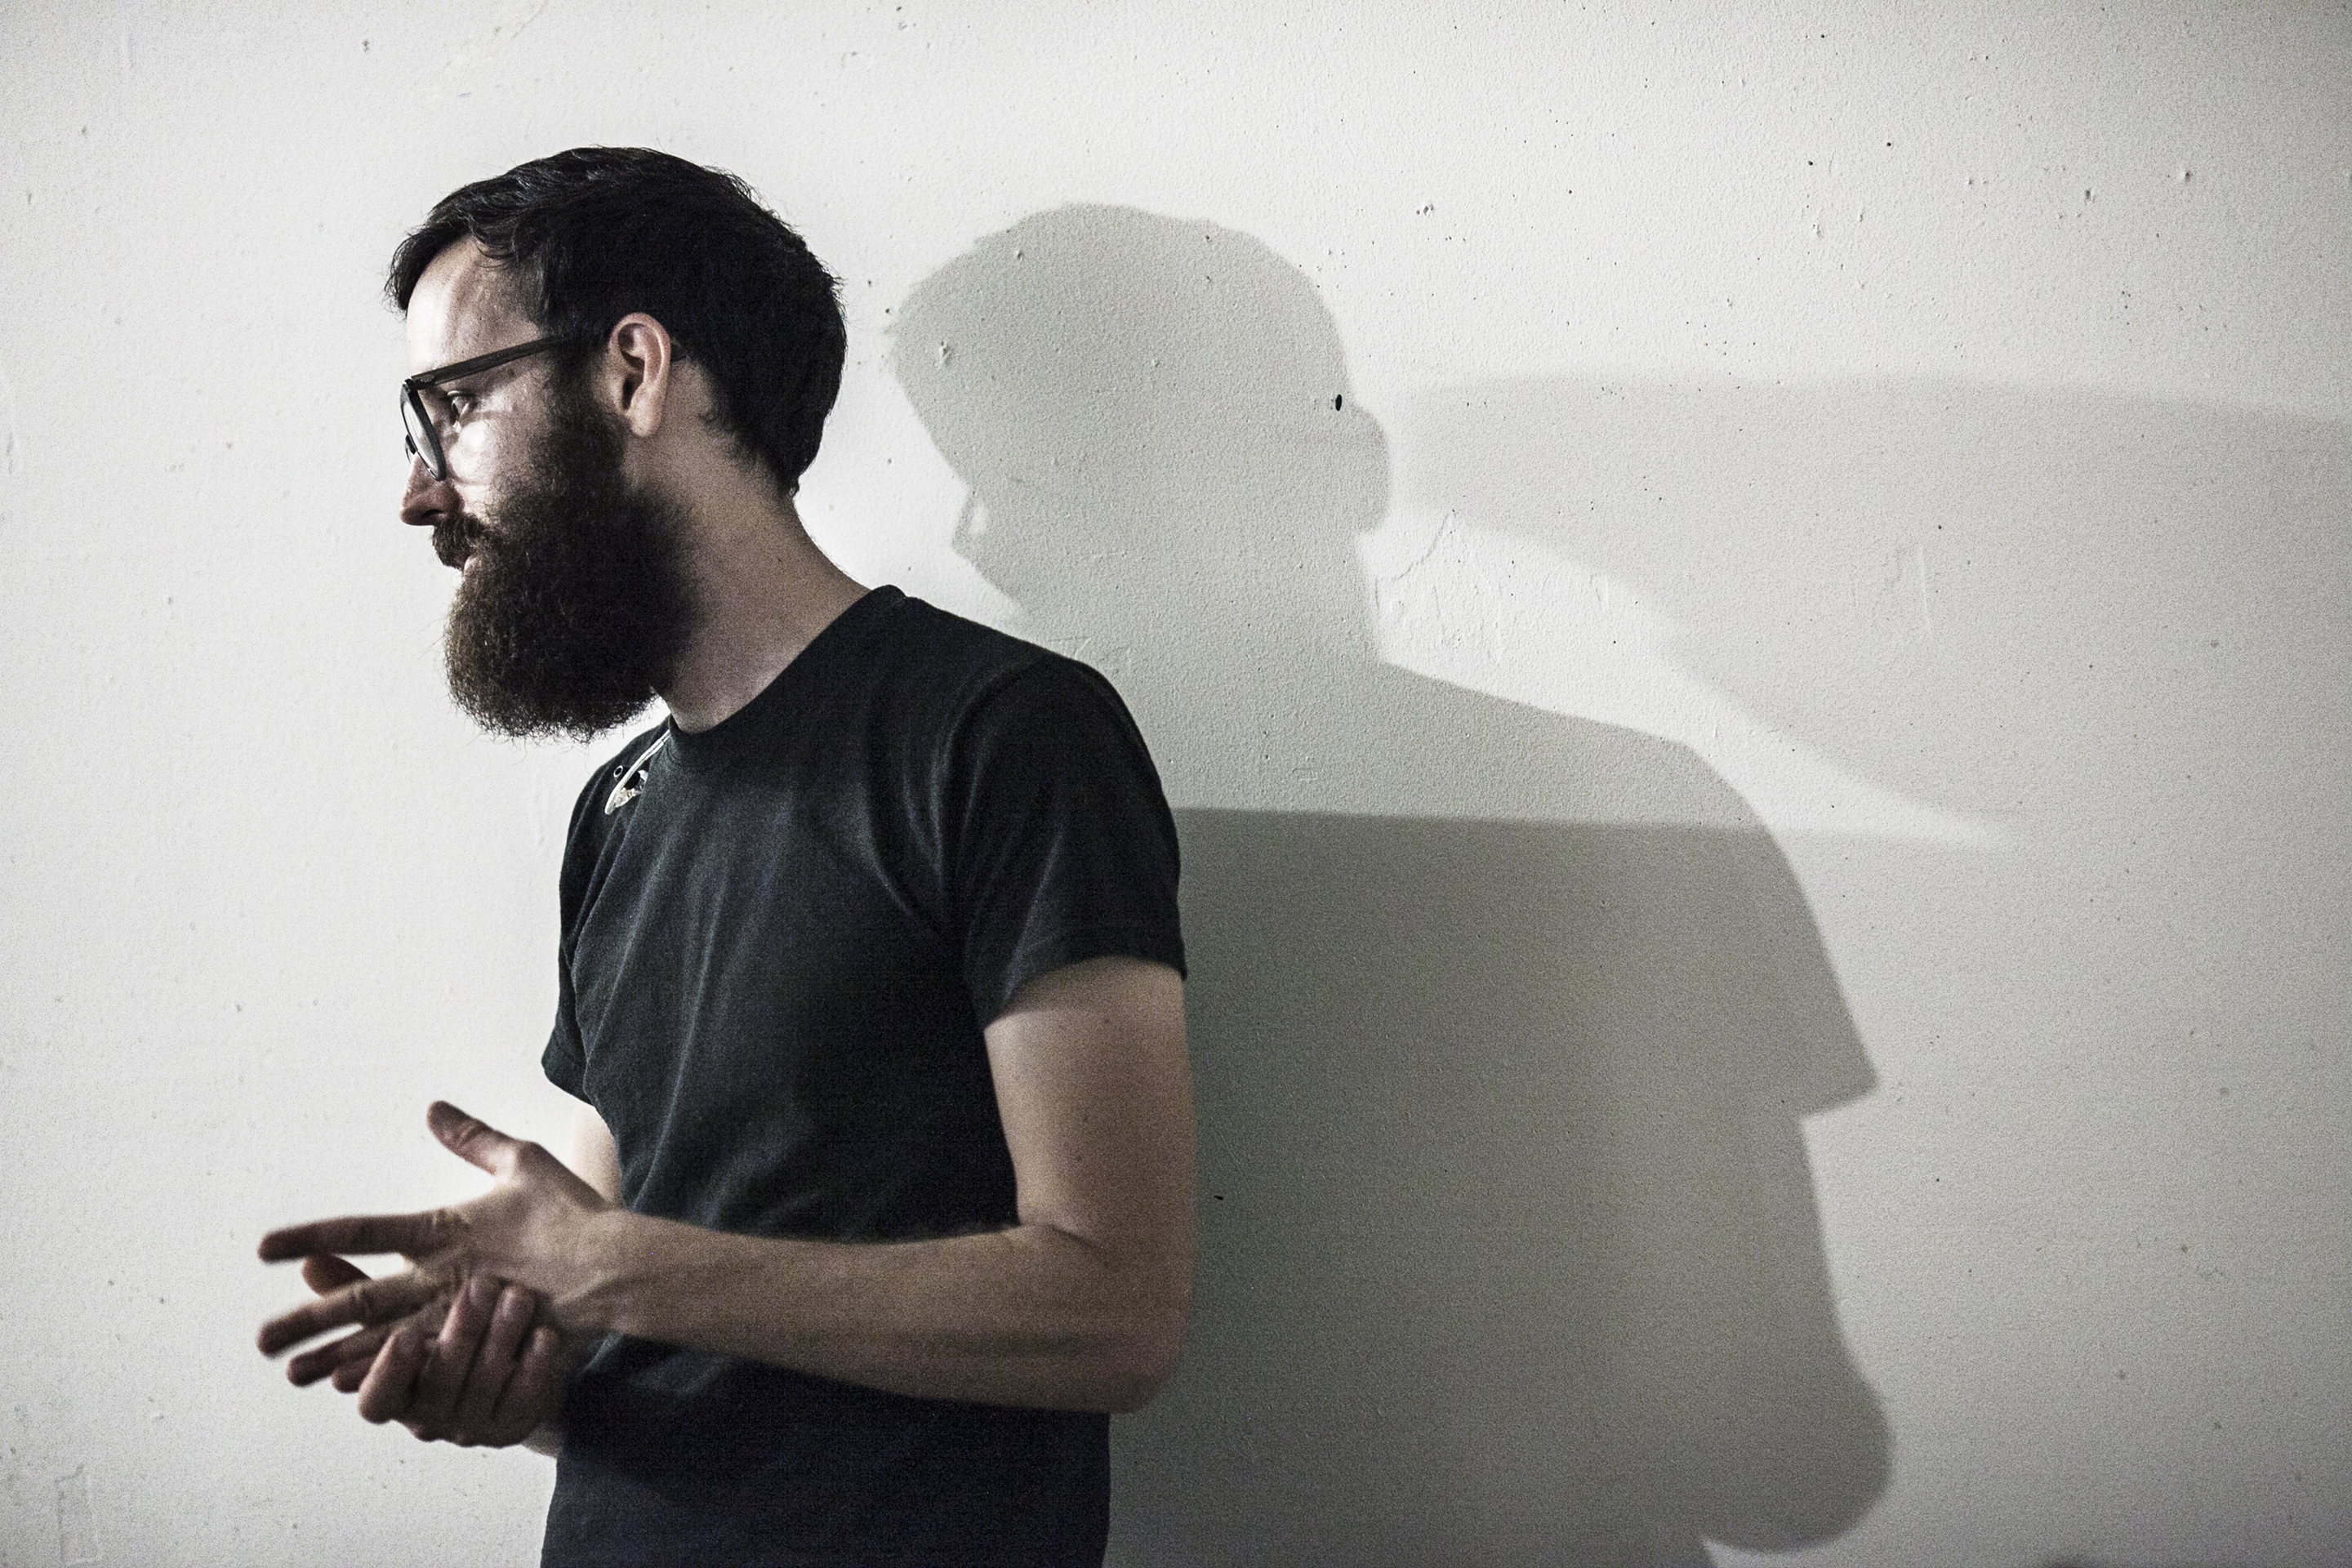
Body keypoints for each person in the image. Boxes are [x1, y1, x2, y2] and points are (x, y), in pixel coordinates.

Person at [253, 149, 1194, 1567]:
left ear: (634, 373)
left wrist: (613, 1270)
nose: (418, 494)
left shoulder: (1004, 735)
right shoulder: (618, 809)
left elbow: (1115, 1311)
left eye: (452, 408)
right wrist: (507, 1372)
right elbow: (621, 1309)